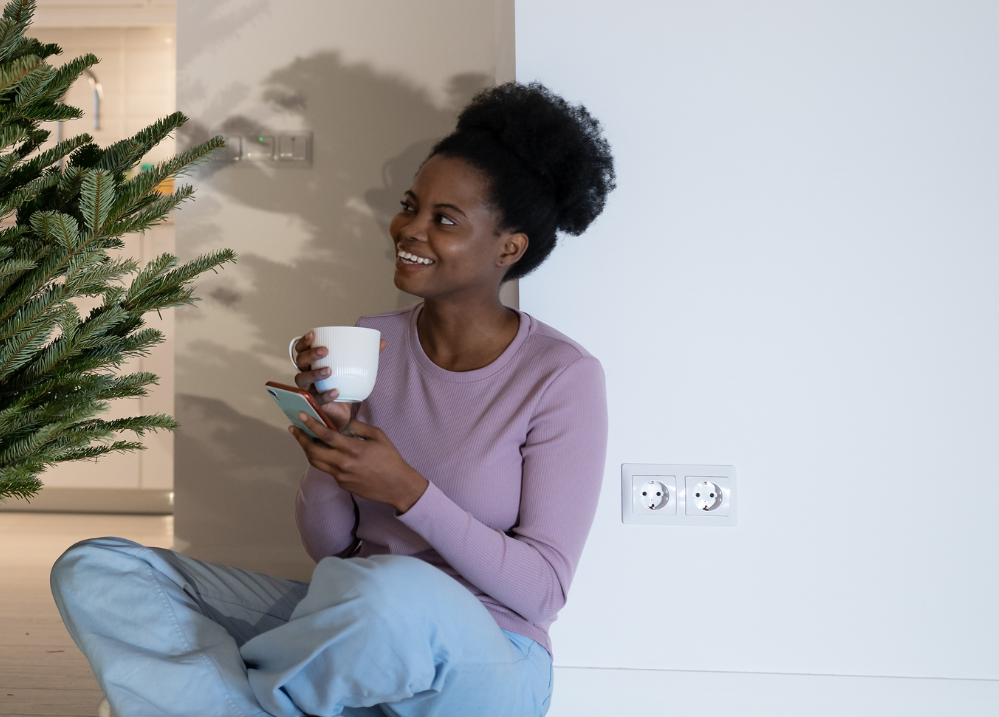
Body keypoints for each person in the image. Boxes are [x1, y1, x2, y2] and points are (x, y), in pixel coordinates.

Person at [51, 82, 616, 717]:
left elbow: (541, 593)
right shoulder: (374, 340)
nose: (409, 228)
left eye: (445, 220)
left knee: (394, 592)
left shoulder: (560, 376)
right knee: (97, 571)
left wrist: (407, 488)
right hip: (352, 624)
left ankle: (232, 701)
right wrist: (329, 449)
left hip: (488, 661)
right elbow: (332, 553)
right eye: (411, 206)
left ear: (508, 248)